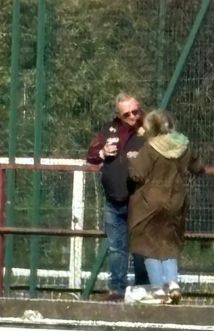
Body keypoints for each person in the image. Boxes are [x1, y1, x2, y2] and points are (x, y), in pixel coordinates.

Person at [127, 110, 203, 305]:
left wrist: (131, 160)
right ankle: (173, 284)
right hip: (176, 200)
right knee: (169, 242)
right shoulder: (183, 145)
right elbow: (199, 168)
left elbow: (137, 174)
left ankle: (158, 289)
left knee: (149, 245)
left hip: (150, 202)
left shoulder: (151, 148)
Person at [85, 92, 149, 301]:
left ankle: (143, 288)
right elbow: (92, 154)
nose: (132, 116)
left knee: (140, 248)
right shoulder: (108, 129)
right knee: (116, 248)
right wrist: (103, 152)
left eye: (135, 111)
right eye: (127, 113)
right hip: (114, 199)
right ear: (119, 115)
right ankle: (117, 290)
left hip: (140, 199)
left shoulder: (150, 129)